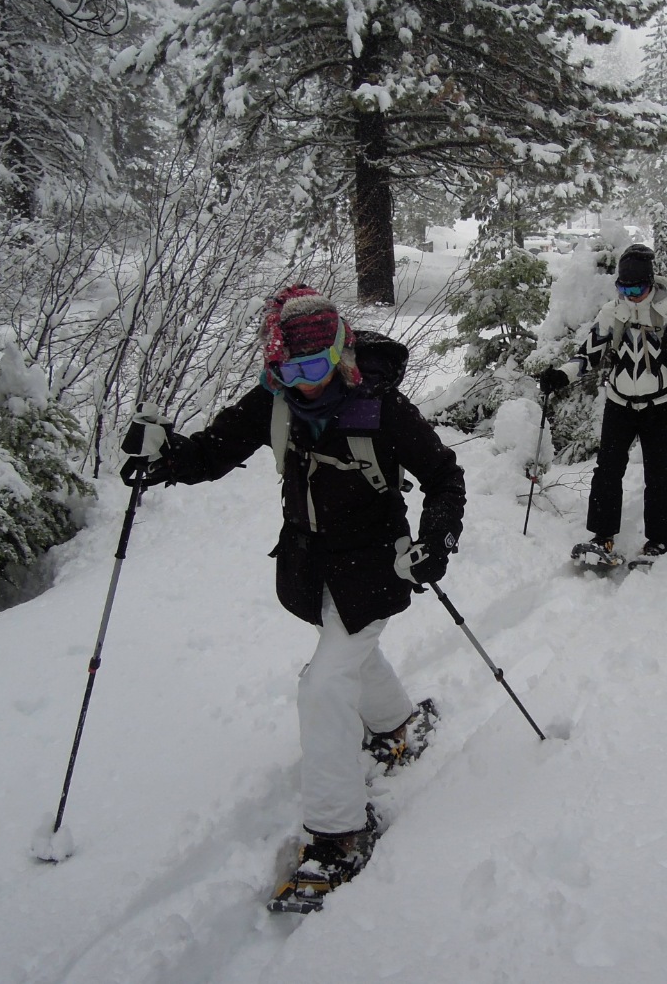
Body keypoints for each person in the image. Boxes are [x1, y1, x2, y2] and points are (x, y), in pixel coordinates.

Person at [121, 285, 465, 897]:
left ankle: (339, 832)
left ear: (341, 352)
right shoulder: (273, 400)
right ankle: (396, 728)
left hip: (379, 565)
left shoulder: (381, 405)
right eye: (287, 368)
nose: (303, 381)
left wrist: (435, 541)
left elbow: (444, 477)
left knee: (325, 681)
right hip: (312, 565)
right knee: (350, 653)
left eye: (314, 366)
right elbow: (213, 452)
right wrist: (164, 456)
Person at [537, 244, 667, 563]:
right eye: (623, 287)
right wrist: (561, 375)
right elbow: (587, 355)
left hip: (661, 405)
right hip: (620, 404)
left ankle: (660, 537)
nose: (630, 294)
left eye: (637, 287)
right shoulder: (612, 313)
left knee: (658, 473)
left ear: (650, 283)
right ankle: (602, 535)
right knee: (608, 470)